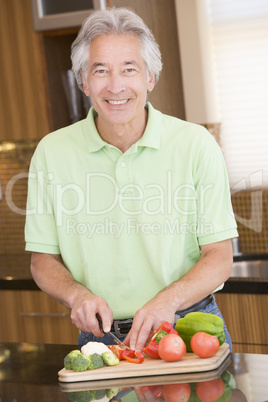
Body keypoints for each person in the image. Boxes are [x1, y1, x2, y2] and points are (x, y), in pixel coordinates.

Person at [25, 7, 238, 352]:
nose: (115, 86)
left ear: (150, 77)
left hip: (186, 327)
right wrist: (76, 294)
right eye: (100, 71)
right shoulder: (51, 153)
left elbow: (219, 255)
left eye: (129, 69)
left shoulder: (195, 144)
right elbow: (42, 259)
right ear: (83, 80)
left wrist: (167, 300)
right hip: (101, 338)